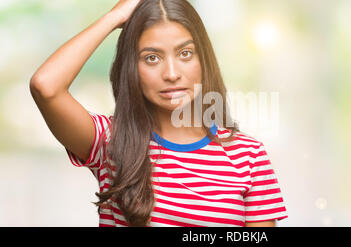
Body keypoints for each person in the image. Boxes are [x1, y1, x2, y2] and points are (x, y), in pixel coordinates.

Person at [29, 0, 287, 227]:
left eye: (185, 53)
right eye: (152, 58)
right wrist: (114, 17)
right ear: (132, 66)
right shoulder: (110, 142)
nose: (172, 73)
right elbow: (46, 87)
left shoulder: (248, 155)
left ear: (203, 60)